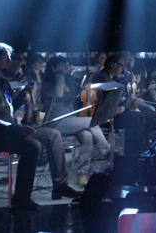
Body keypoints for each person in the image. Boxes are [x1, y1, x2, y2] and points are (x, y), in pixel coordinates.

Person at [0, 41, 78, 210]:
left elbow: (9, 110)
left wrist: (24, 92)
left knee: (53, 135)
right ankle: (21, 197)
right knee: (32, 146)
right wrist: (17, 129)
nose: (9, 60)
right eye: (5, 57)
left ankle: (60, 186)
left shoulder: (2, 82)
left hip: (8, 131)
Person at [40, 55, 110, 185]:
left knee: (88, 136)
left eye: (67, 63)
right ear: (53, 67)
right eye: (62, 64)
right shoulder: (48, 83)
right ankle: (106, 149)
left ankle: (81, 173)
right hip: (56, 121)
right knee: (91, 121)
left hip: (71, 120)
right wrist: (59, 76)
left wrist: (91, 78)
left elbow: (84, 91)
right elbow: (59, 93)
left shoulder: (70, 81)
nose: (67, 66)